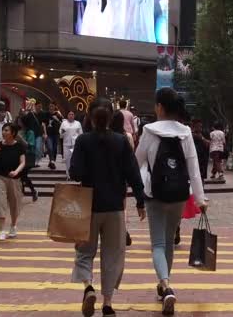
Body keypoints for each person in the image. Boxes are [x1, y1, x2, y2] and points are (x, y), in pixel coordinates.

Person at [69, 98, 146, 317]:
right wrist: (140, 200)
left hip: (89, 207)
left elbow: (75, 173)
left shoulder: (83, 141)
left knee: (84, 252)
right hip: (114, 207)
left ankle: (88, 287)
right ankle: (108, 304)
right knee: (113, 255)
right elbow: (133, 173)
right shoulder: (121, 141)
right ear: (111, 118)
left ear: (90, 118)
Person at [135, 88, 207, 316]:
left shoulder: (148, 130)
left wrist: (136, 191)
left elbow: (137, 162)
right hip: (179, 195)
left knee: (157, 243)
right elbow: (194, 170)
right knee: (169, 241)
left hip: (154, 193)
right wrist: (200, 199)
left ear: (160, 107)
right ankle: (164, 285)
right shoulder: (185, 132)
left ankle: (165, 286)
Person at [0, 123, 27, 240]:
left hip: (14, 179)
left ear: (13, 133)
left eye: (6, 130)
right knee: (0, 203)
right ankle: (1, 231)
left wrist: (16, 171)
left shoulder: (19, 146)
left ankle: (13, 226)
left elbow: (23, 162)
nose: (3, 132)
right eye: (3, 130)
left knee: (14, 204)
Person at [110, 110, 135, 246]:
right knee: (122, 206)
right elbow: (131, 157)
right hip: (122, 175)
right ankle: (123, 230)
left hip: (108, 174)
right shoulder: (127, 136)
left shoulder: (105, 136)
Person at [16, 115, 39, 202]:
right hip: (19, 156)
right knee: (21, 175)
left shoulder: (30, 132)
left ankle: (31, 191)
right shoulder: (18, 131)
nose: (19, 123)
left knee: (23, 175)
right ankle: (28, 191)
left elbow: (30, 145)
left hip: (28, 157)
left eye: (20, 121)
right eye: (18, 121)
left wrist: (20, 139)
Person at [59, 111, 83, 180]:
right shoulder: (64, 123)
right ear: (67, 115)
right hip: (66, 144)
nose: (71, 116)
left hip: (75, 144)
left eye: (72, 114)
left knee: (74, 159)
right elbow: (61, 133)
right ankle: (68, 174)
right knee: (67, 159)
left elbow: (81, 133)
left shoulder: (78, 123)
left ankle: (74, 173)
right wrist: (63, 131)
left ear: (74, 116)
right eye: (69, 114)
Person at [46, 102, 64, 170]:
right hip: (48, 134)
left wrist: (58, 117)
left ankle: (51, 161)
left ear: (54, 107)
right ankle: (52, 162)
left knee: (54, 149)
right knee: (50, 148)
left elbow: (63, 122)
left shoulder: (57, 114)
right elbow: (43, 123)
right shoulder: (46, 114)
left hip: (56, 134)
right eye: (50, 106)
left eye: (52, 106)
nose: (51, 108)